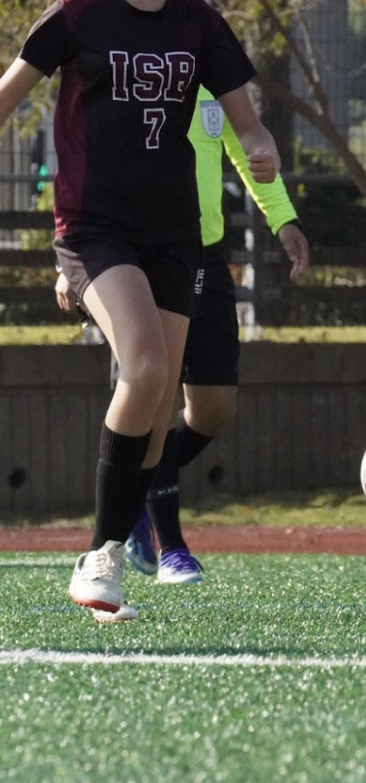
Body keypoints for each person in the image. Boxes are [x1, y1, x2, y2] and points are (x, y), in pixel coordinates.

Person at [1, 0, 280, 621]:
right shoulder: (78, 14)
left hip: (173, 235)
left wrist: (263, 151)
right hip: (94, 227)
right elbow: (7, 97)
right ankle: (100, 556)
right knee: (148, 366)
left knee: (157, 406)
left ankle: (114, 552)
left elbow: (249, 125)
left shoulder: (200, 24)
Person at [56, 83, 309, 584]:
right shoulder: (125, 77)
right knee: (158, 393)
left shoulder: (215, 81)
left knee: (214, 408)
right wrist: (74, 260)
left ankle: (133, 491)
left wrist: (284, 219)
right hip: (137, 254)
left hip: (205, 255)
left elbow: (248, 151)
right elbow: (84, 167)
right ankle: (169, 546)